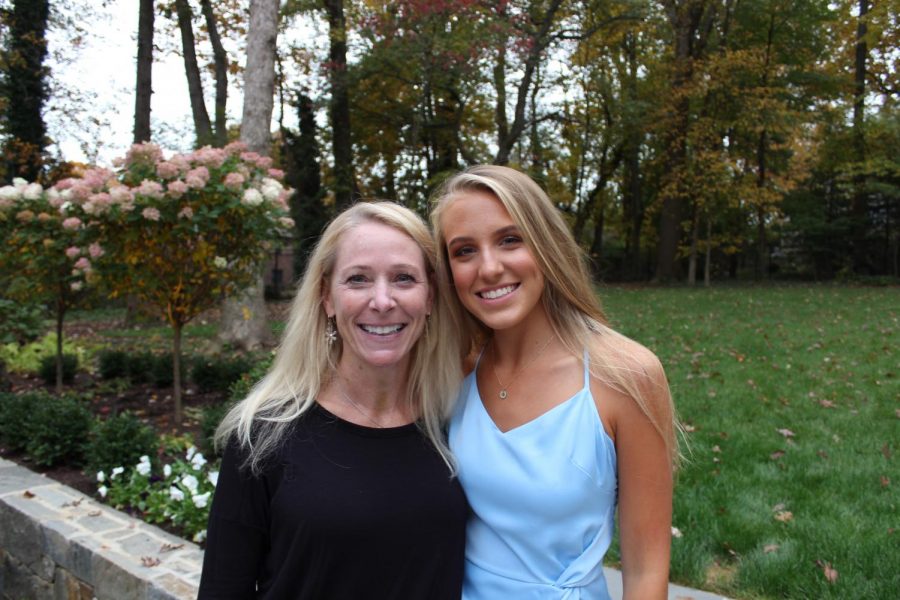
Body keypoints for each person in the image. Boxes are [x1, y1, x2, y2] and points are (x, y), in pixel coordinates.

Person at [431, 165, 679, 600]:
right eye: (464, 251)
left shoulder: (626, 375)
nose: (488, 268)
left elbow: (644, 572)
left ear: (546, 244)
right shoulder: (455, 369)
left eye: (510, 240)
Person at [198, 201, 467, 599]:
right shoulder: (263, 435)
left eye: (404, 278)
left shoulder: (457, 421)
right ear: (326, 297)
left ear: (430, 297)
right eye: (357, 279)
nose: (381, 301)